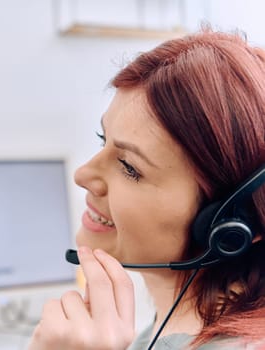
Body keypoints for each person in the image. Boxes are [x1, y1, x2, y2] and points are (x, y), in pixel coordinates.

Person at [28, 27, 265, 350]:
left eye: (129, 167)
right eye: (103, 139)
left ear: (231, 223)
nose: (83, 175)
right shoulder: (167, 332)